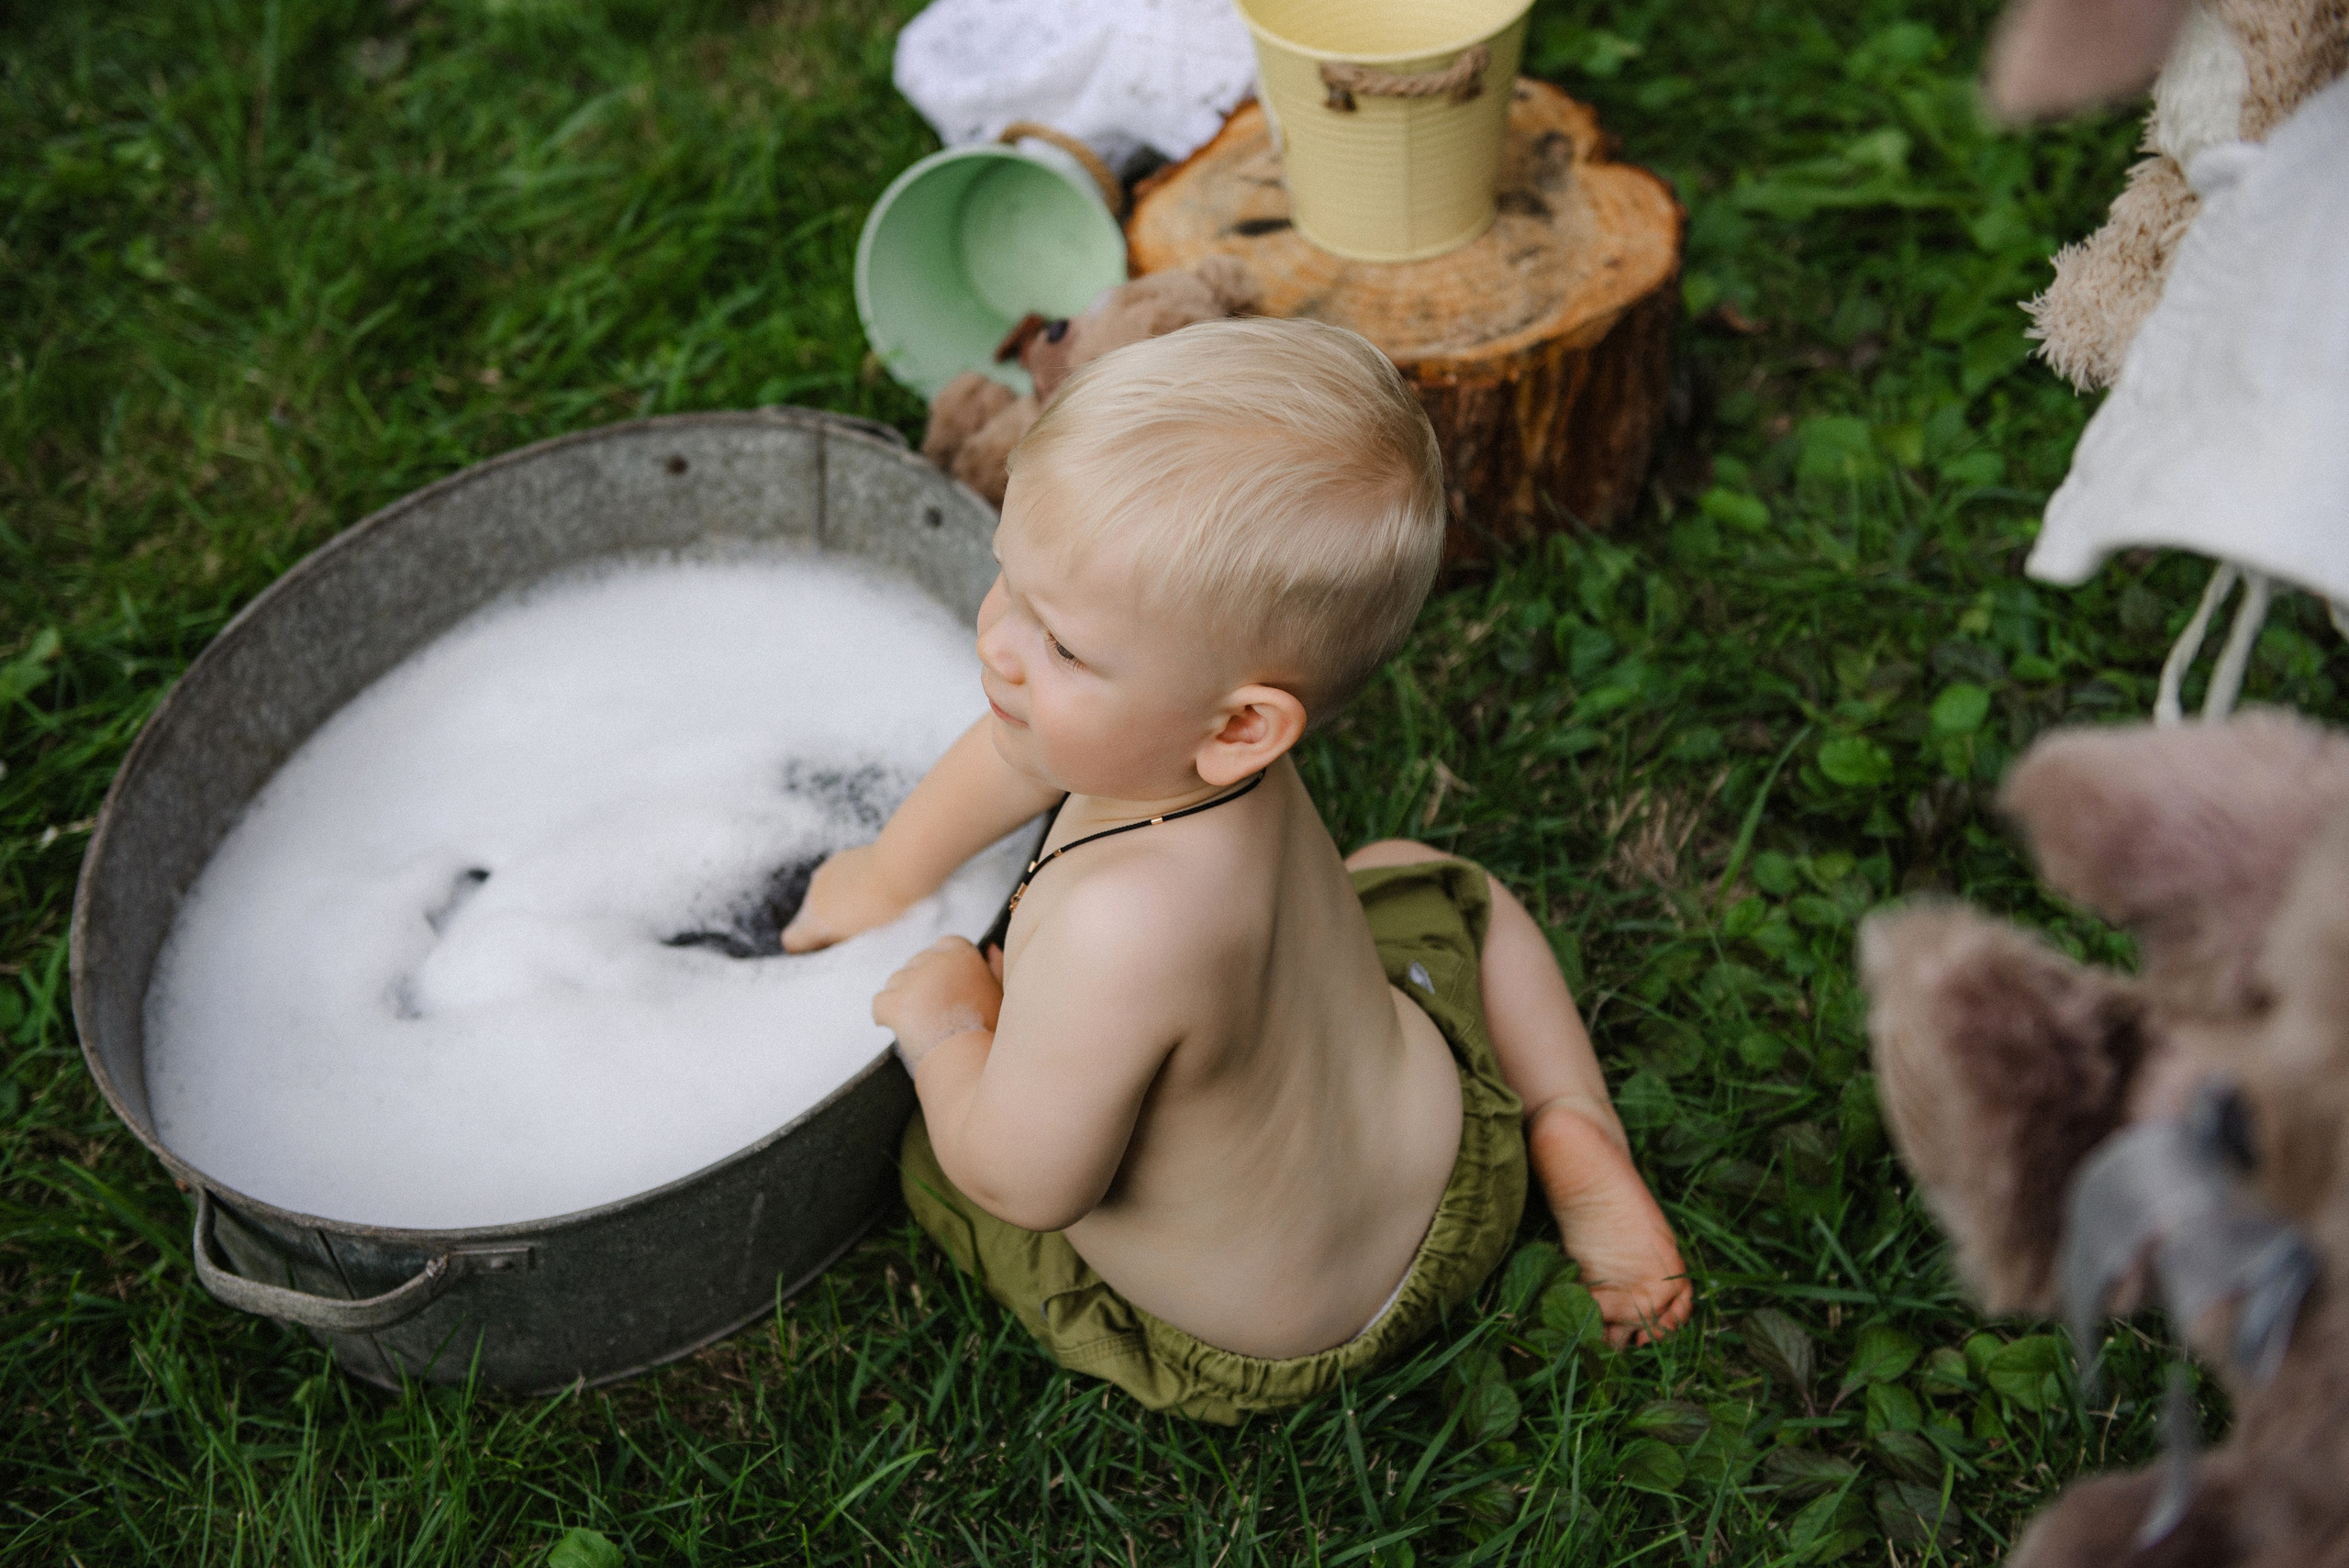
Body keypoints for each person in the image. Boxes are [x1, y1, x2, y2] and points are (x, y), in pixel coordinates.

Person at [781, 317, 1689, 1420]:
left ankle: (1555, 1132)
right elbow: (1019, 747)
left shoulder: (1118, 923)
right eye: (1007, 583)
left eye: (1061, 645)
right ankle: (1565, 1116)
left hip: (1260, 1331)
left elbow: (1026, 1181)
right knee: (1424, 876)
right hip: (1457, 1165)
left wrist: (947, 1027)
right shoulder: (1188, 755)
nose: (1000, 644)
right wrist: (885, 869)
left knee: (941, 1150)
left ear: (1242, 725)